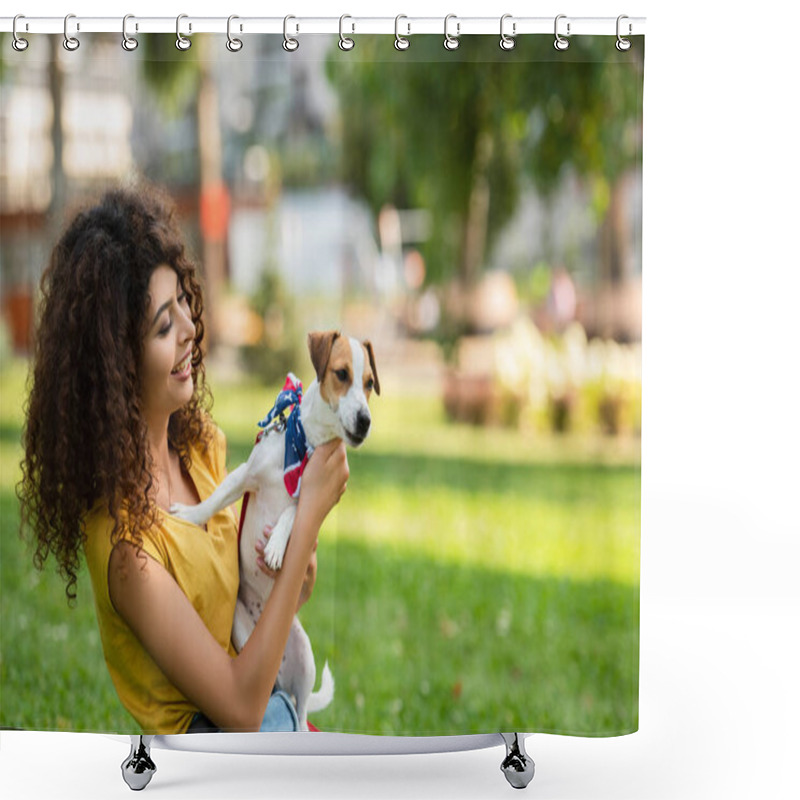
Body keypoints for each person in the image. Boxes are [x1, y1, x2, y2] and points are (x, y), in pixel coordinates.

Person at [17, 184, 348, 735]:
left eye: (184, 308)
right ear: (116, 362)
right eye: (164, 326)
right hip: (215, 764)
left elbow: (249, 619)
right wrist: (310, 512)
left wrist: (290, 576)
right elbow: (239, 713)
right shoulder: (127, 549)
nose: (192, 330)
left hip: (275, 718)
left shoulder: (199, 449)